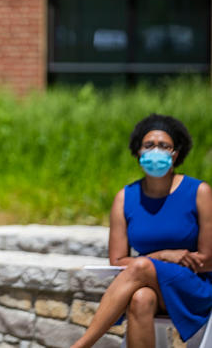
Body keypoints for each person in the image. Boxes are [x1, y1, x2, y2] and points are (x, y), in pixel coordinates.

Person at [72, 113, 212, 348]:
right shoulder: (124, 197)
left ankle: (82, 345)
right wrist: (162, 256)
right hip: (153, 287)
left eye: (163, 145)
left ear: (175, 153)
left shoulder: (200, 192)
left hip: (195, 287)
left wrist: (150, 264)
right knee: (140, 298)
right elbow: (117, 260)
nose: (155, 150)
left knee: (141, 265)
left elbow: (208, 259)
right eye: (149, 145)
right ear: (138, 152)